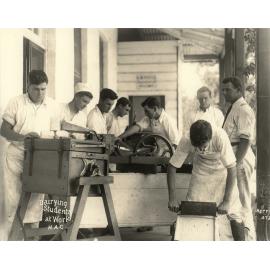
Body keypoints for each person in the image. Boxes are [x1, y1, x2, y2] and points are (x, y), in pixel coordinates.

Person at [0, 70, 60, 240]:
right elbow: (3, 130)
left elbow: (55, 133)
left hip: (40, 158)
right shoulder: (16, 102)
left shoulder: (52, 106)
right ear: (28, 86)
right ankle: (8, 244)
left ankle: (33, 243)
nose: (40, 93)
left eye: (43, 89)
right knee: (12, 202)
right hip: (17, 157)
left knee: (35, 203)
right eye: (35, 89)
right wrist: (23, 137)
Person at [167, 120, 245, 240]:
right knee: (191, 209)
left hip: (222, 170)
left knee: (234, 212)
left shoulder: (220, 136)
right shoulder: (186, 139)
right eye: (197, 147)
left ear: (210, 137)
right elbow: (172, 167)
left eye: (203, 146)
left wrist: (226, 201)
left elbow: (232, 168)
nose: (201, 149)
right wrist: (172, 198)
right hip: (201, 171)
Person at [222, 76, 256, 240]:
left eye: (227, 89)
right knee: (237, 201)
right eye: (223, 90)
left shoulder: (243, 109)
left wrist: (236, 162)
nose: (224, 93)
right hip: (234, 154)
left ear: (238, 90)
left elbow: (246, 139)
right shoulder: (233, 107)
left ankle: (248, 240)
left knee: (242, 201)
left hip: (240, 156)